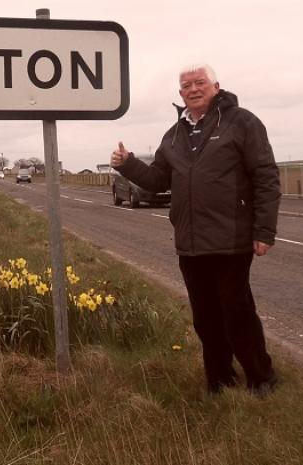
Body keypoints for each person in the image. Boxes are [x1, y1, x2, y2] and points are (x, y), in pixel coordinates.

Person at [111, 64, 281, 396]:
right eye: (186, 85)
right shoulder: (173, 135)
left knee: (237, 313)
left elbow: (266, 176)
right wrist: (129, 163)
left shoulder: (242, 122)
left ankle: (262, 377)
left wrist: (264, 230)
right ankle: (219, 380)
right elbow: (158, 180)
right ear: (180, 94)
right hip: (190, 242)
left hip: (231, 238)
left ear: (216, 86)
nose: (193, 88)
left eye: (199, 82)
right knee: (205, 318)